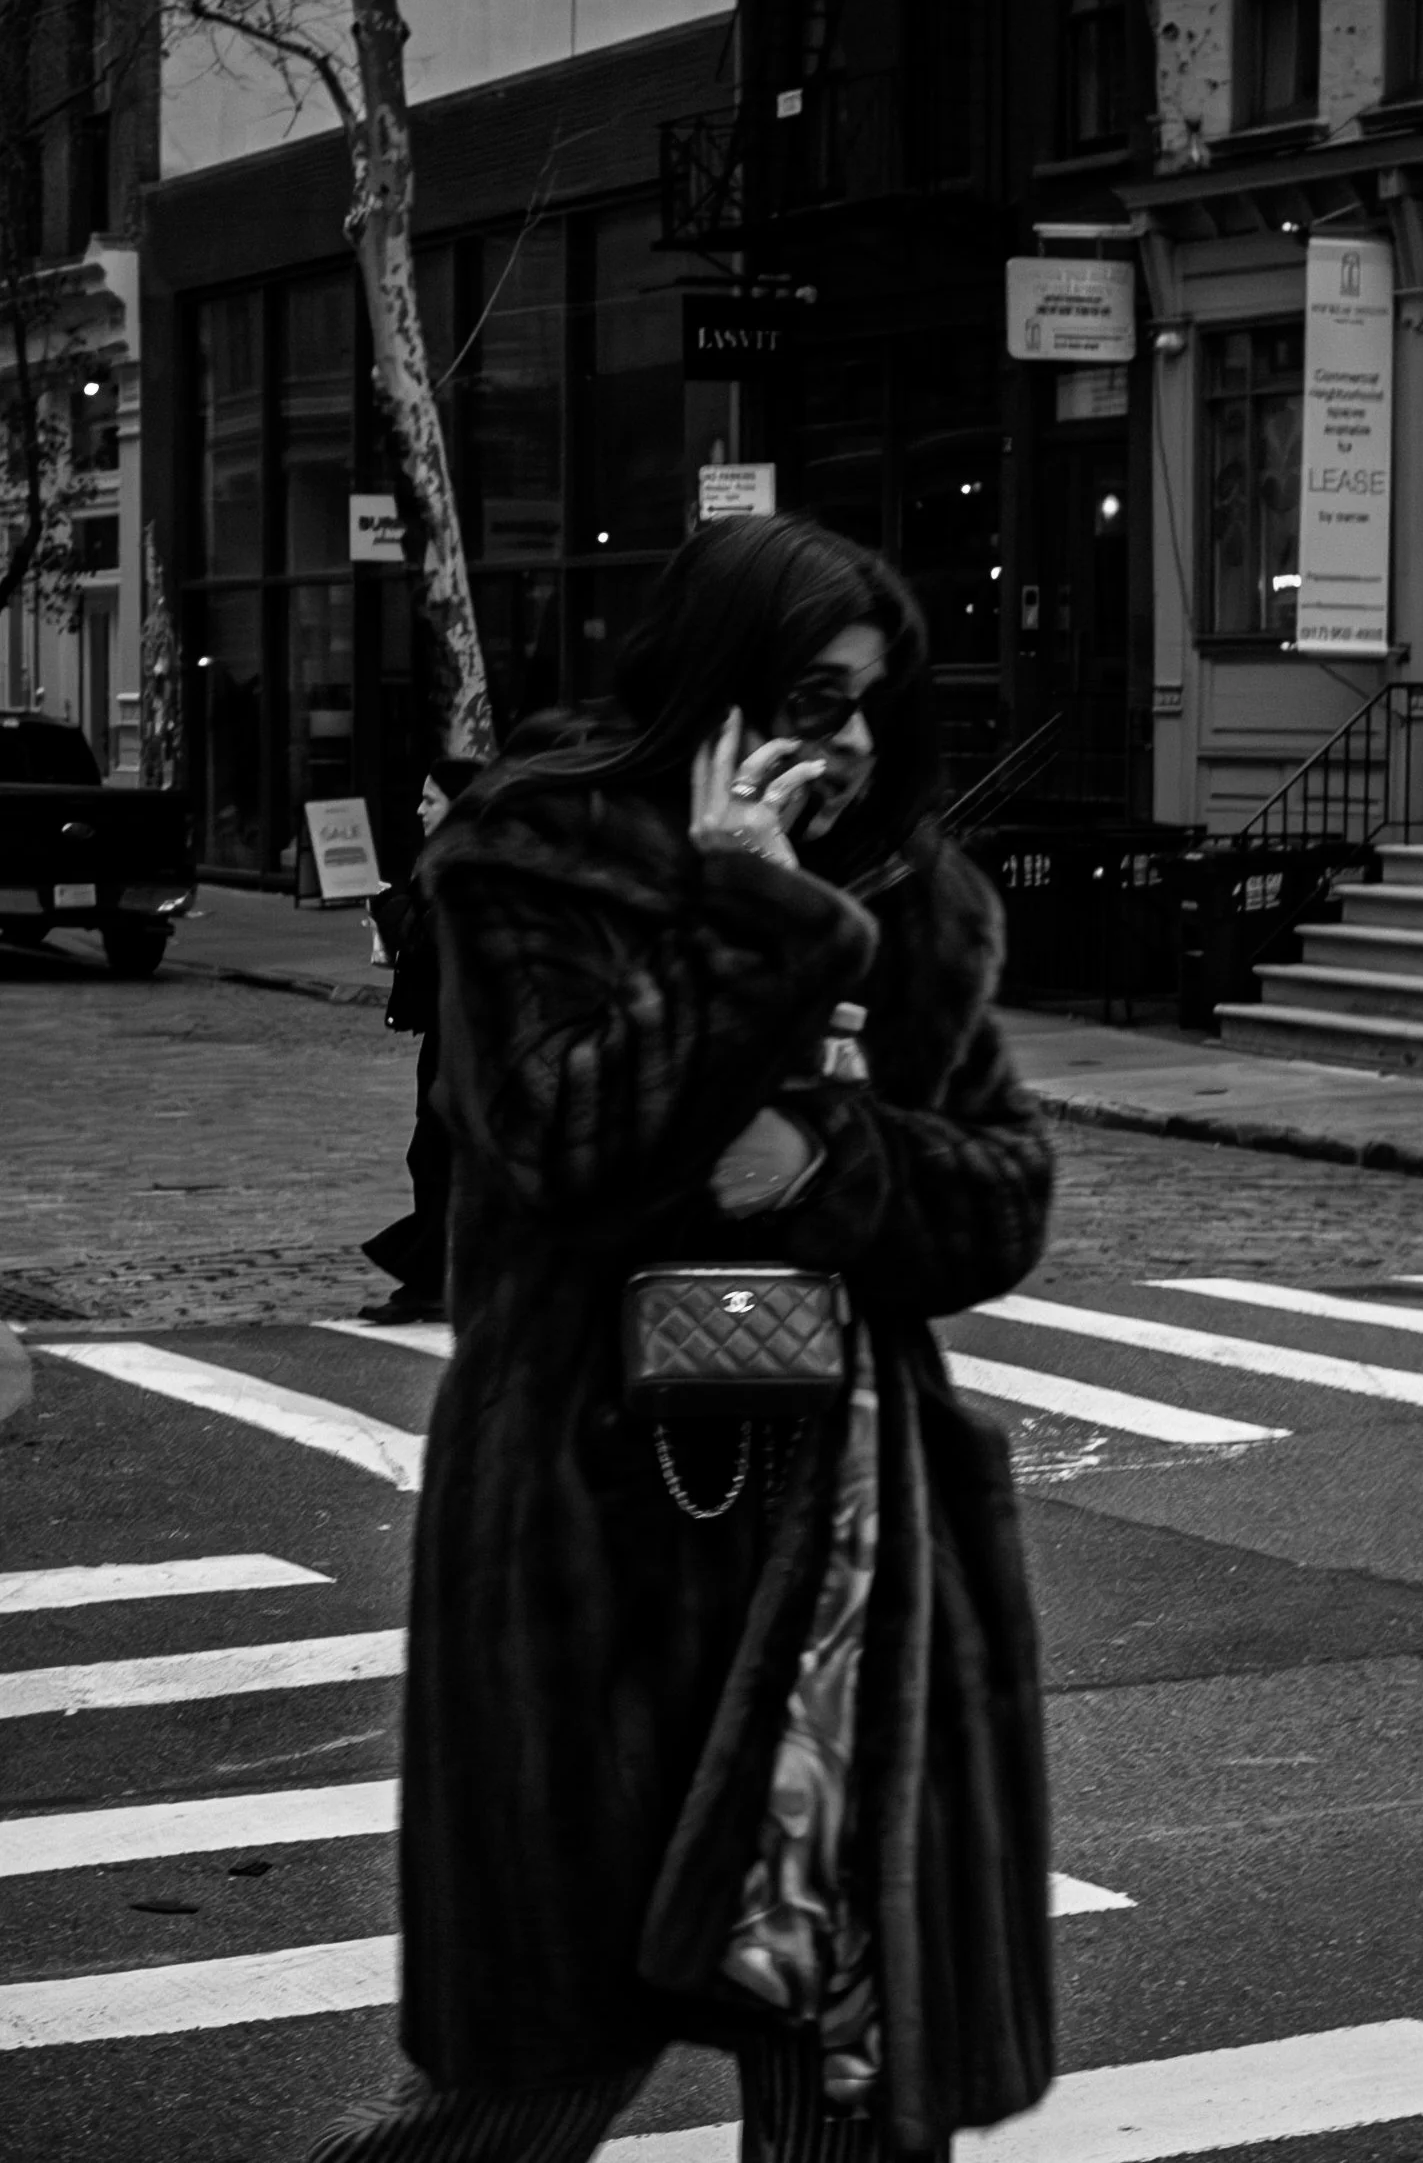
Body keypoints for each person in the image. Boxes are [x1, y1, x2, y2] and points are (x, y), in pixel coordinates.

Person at [309, 515, 1056, 2162]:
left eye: (871, 704)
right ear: (716, 688)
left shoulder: (914, 893)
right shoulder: (540, 857)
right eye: (812, 698)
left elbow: (1005, 1193)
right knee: (534, 2081)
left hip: (849, 1548)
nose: (847, 743)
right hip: (598, 1539)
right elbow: (557, 1137)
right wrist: (747, 929)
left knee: (844, 2071)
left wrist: (827, 1163)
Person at [360, 756, 484, 1324]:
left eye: (431, 798)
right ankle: (439, 1277)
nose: (419, 809)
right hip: (452, 1029)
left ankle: (436, 1279)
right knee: (435, 1156)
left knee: (437, 1155)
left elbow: (435, 938)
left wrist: (389, 909)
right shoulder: (453, 856)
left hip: (468, 1035)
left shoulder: (466, 862)